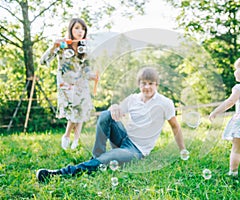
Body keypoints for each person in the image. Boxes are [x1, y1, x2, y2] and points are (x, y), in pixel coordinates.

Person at [36, 67, 187, 182]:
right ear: (139, 84)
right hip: (124, 138)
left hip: (136, 150)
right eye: (143, 83)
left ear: (157, 85)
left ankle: (59, 173)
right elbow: (114, 113)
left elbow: (175, 126)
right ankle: (98, 158)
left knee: (110, 157)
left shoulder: (165, 103)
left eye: (151, 84)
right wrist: (114, 107)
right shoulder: (133, 99)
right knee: (105, 114)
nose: (147, 87)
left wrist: (182, 150)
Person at [40, 18, 98, 150]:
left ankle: (76, 141)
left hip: (81, 83)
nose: (80, 31)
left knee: (81, 110)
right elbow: (43, 61)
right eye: (77, 28)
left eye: (83, 29)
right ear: (71, 29)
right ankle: (67, 136)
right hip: (66, 84)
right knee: (74, 111)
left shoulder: (84, 49)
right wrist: (53, 47)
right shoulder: (62, 45)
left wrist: (92, 76)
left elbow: (86, 69)